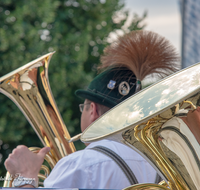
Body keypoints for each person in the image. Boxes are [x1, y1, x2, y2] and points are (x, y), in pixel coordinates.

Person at [4, 30, 179, 189]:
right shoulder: (168, 164)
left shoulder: (79, 165)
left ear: (93, 110)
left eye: (83, 107)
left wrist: (24, 176)